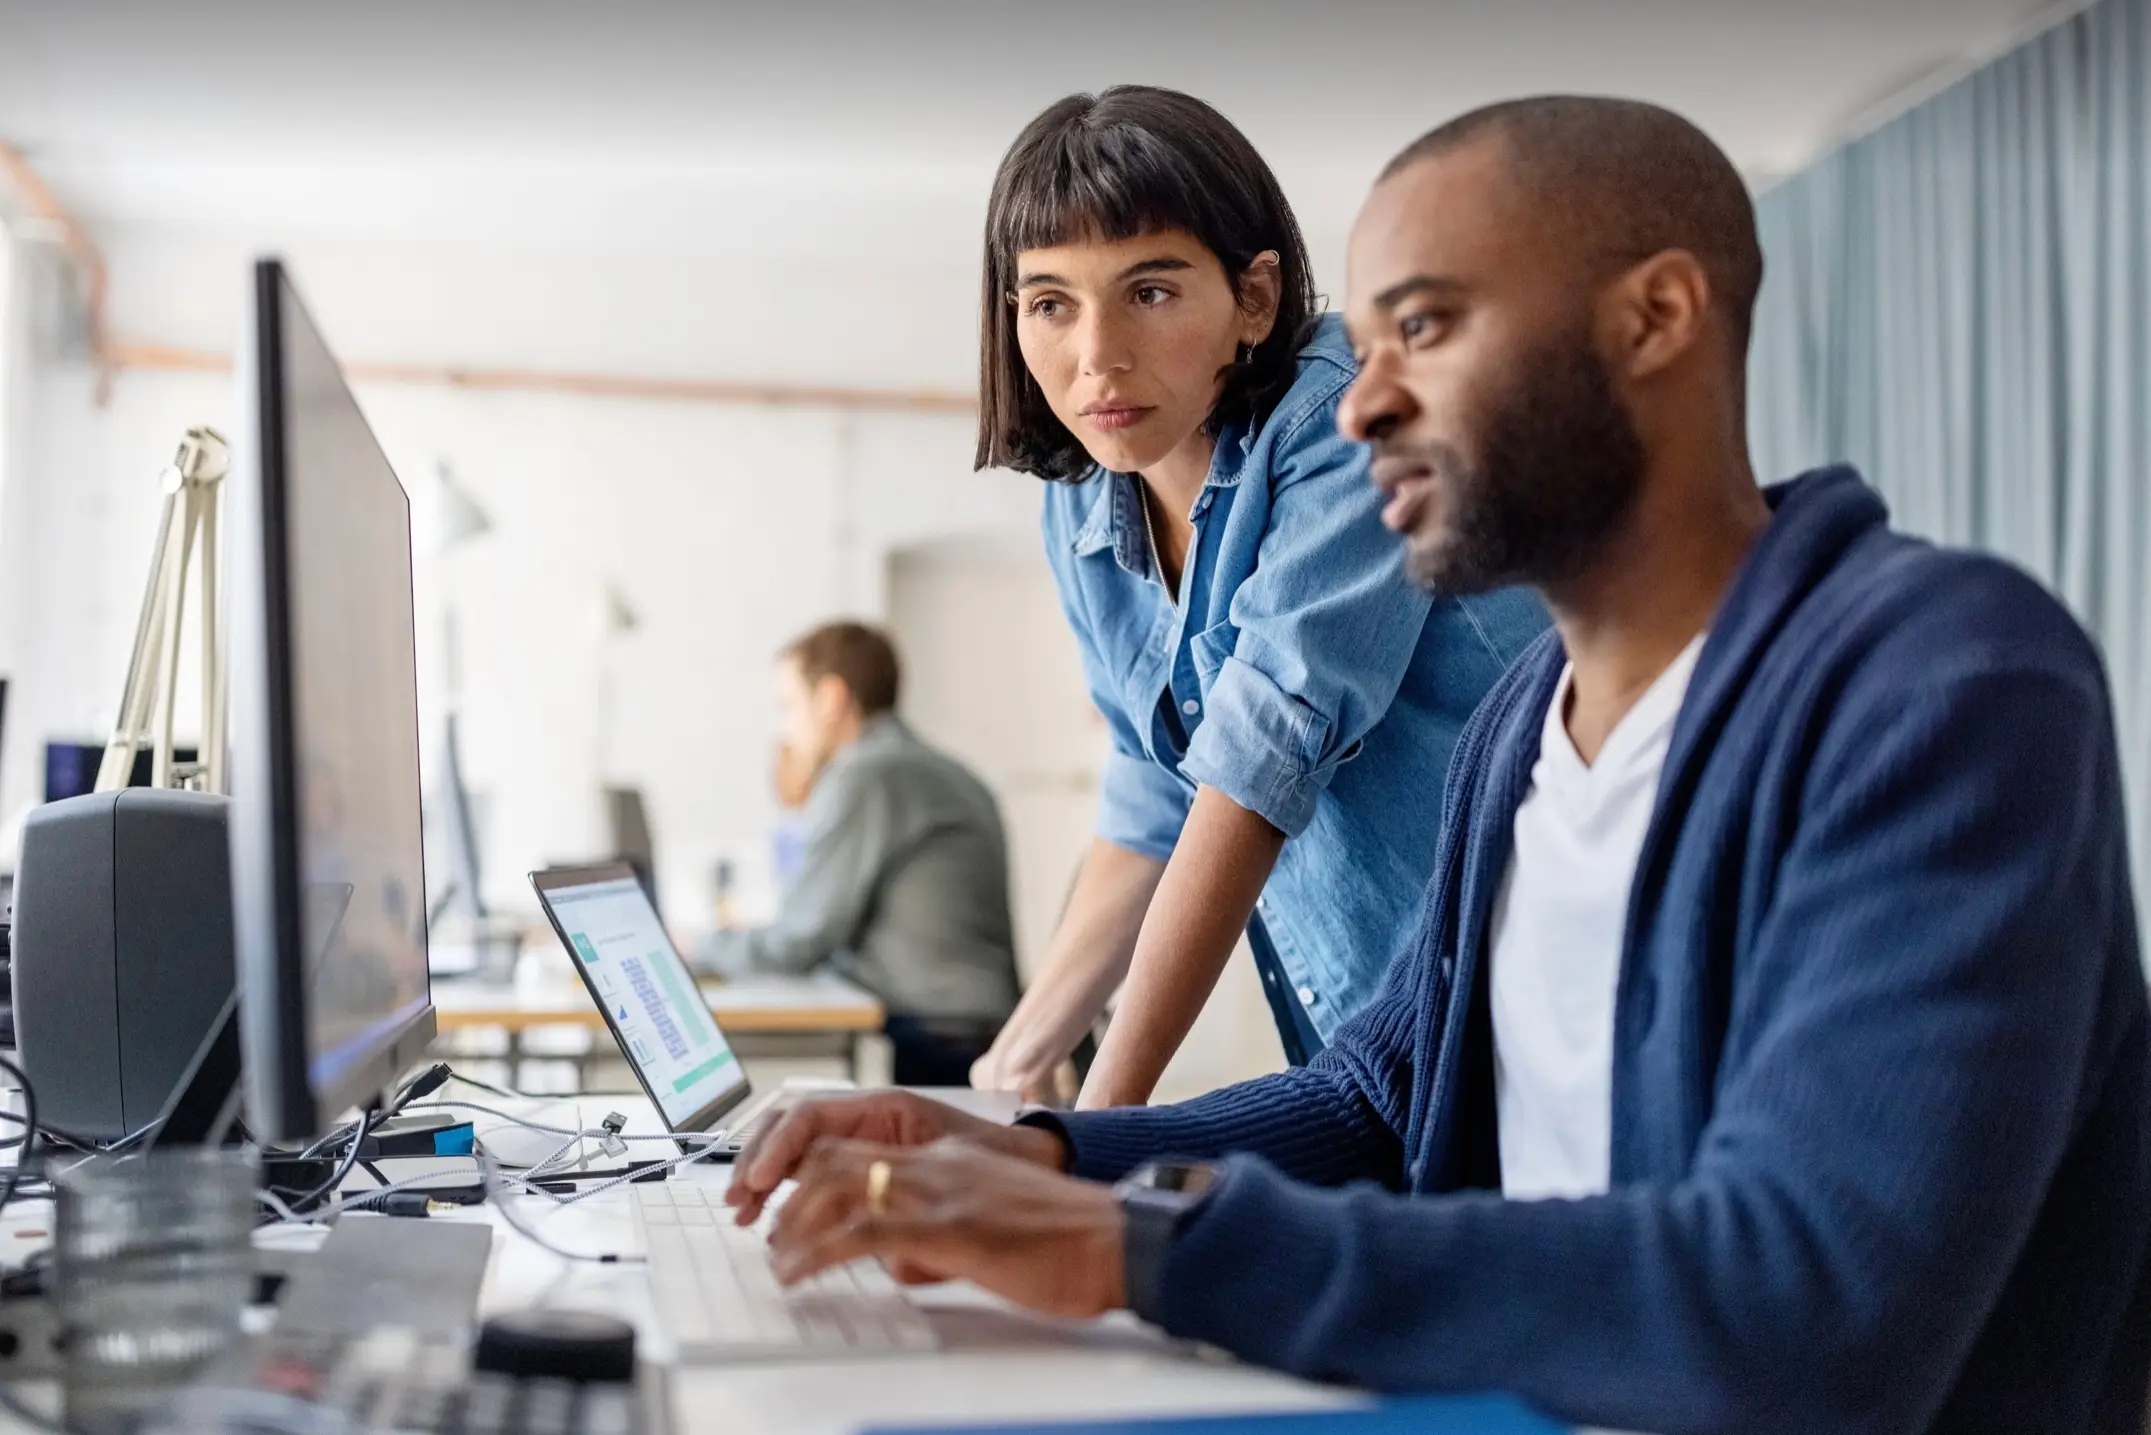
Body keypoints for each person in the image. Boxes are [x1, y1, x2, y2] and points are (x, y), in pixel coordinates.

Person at [725, 97, 2151, 1434]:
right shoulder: (1524, 721)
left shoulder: (1945, 684)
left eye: (1423, 327)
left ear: (1654, 319)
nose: (1359, 407)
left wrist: (1140, 1243)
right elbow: (1374, 1100)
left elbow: (1805, 1297)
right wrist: (1036, 1153)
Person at [969, 86, 1547, 1107]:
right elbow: (1154, 790)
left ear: (1255, 297)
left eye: (1150, 291)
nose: (1096, 356)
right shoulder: (1083, 495)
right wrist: (1011, 1071)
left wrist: (1092, 1126)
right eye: (1051, 303)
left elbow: (1257, 758)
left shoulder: (1350, 421)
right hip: (1375, 1044)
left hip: (1538, 1000)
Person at [695, 622, 1019, 1086]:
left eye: (788, 706)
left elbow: (799, 940)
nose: (785, 729)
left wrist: (701, 946)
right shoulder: (936, 768)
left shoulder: (867, 775)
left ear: (831, 699)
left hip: (938, 1039)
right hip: (975, 1027)